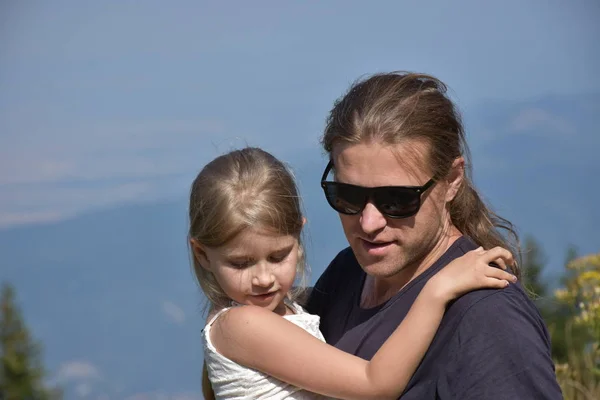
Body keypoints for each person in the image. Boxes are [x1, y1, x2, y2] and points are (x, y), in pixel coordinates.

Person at [305, 72, 564, 399]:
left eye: (397, 199)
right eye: (348, 195)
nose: (368, 223)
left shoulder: (489, 320)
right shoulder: (347, 274)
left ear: (452, 180)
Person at [188, 147, 517, 400]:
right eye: (241, 263)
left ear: (298, 237)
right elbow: (376, 384)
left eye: (278, 256)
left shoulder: (267, 313)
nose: (263, 278)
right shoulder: (243, 324)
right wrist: (437, 289)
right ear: (202, 254)